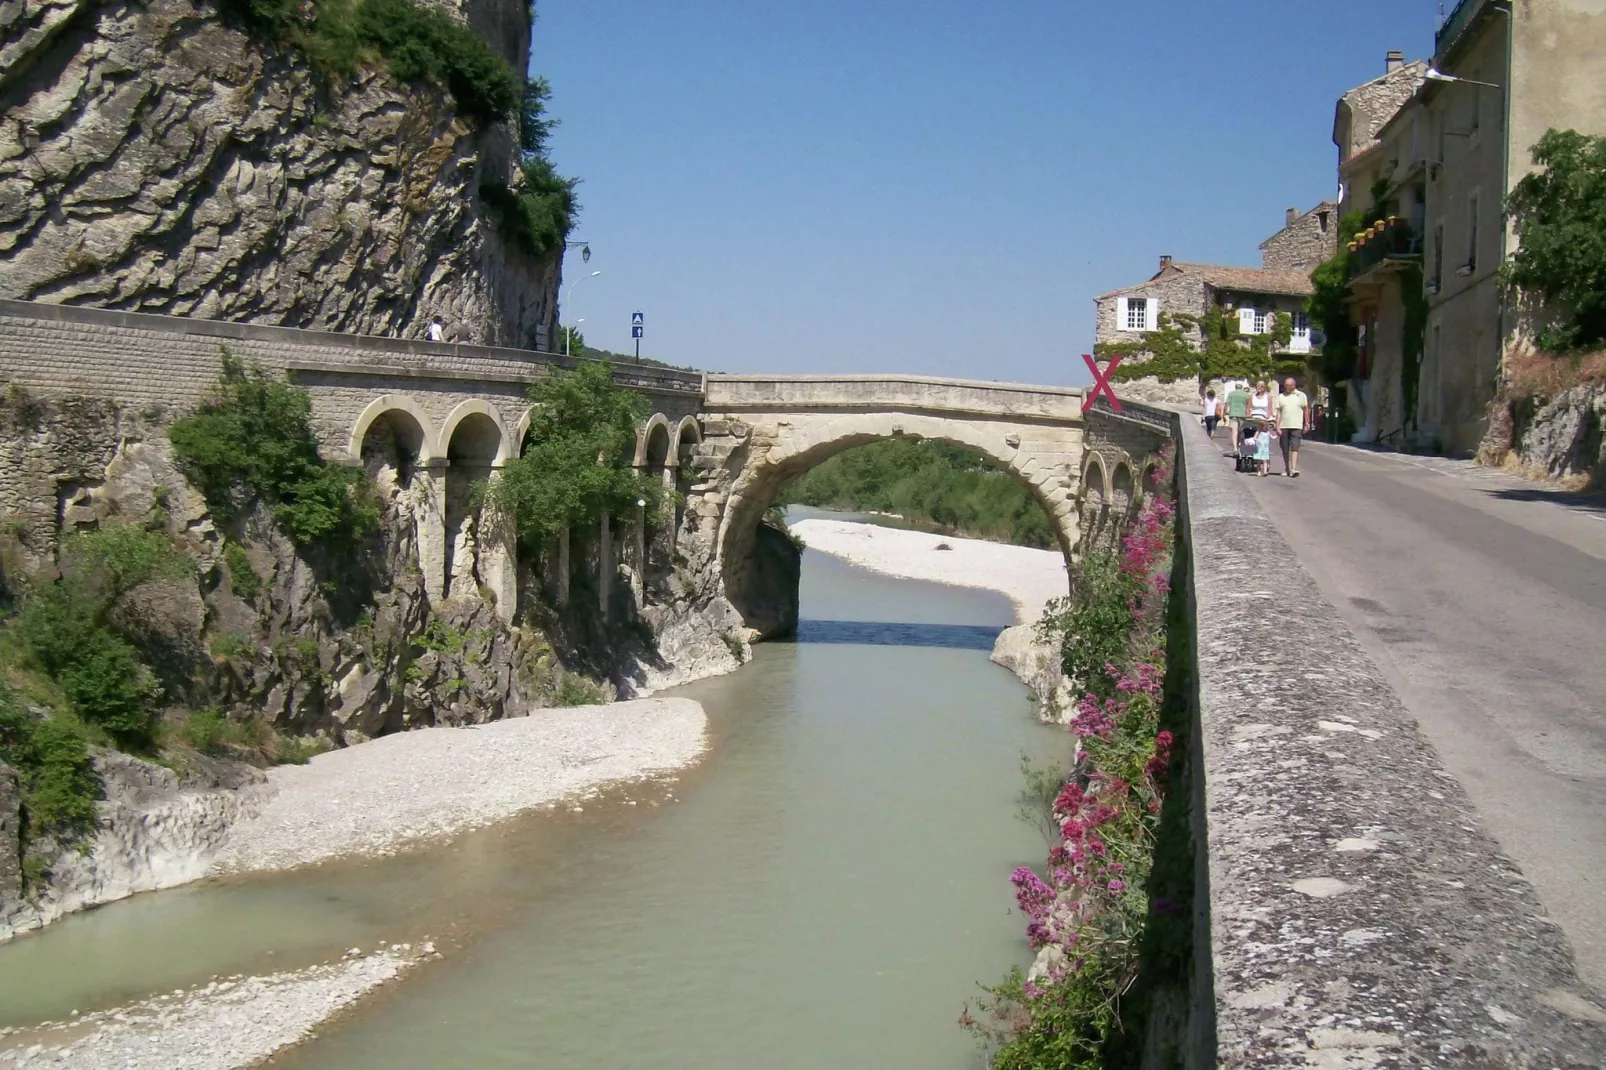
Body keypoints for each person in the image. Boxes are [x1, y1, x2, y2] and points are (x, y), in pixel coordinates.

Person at [1276, 376, 1311, 477]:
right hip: (1284, 425)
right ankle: (1286, 468)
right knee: (1285, 448)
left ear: (1294, 385)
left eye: (1289, 385)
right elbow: (1278, 412)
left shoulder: (1301, 395)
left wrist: (1307, 423)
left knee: (1295, 447)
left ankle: (1293, 468)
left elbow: (1306, 410)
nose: (1287, 387)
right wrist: (1277, 426)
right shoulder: (1281, 396)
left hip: (1297, 425)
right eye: (1286, 385)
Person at [1225, 380, 1251, 444]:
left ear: (1235, 386)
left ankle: (1235, 448)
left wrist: (1224, 412)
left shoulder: (1231, 394)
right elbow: (1248, 406)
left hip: (1233, 414)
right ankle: (1238, 444)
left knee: (1234, 431)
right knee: (1240, 430)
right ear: (1242, 387)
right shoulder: (1246, 395)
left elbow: (1227, 404)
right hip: (1242, 414)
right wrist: (1248, 413)